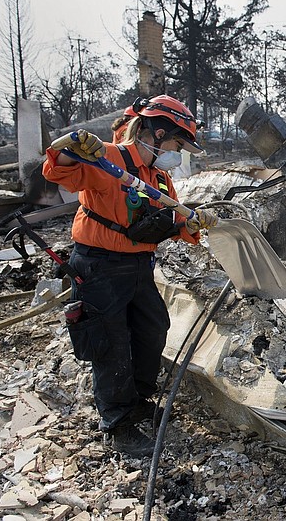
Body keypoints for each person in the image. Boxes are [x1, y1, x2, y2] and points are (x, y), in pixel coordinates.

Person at [42, 94, 219, 458]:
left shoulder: (159, 178)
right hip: (99, 266)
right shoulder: (107, 157)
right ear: (155, 133)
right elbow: (58, 171)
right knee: (112, 344)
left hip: (138, 267)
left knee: (152, 330)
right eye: (176, 143)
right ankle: (118, 424)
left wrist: (194, 221)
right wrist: (66, 145)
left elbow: (171, 221)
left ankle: (136, 401)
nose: (177, 151)